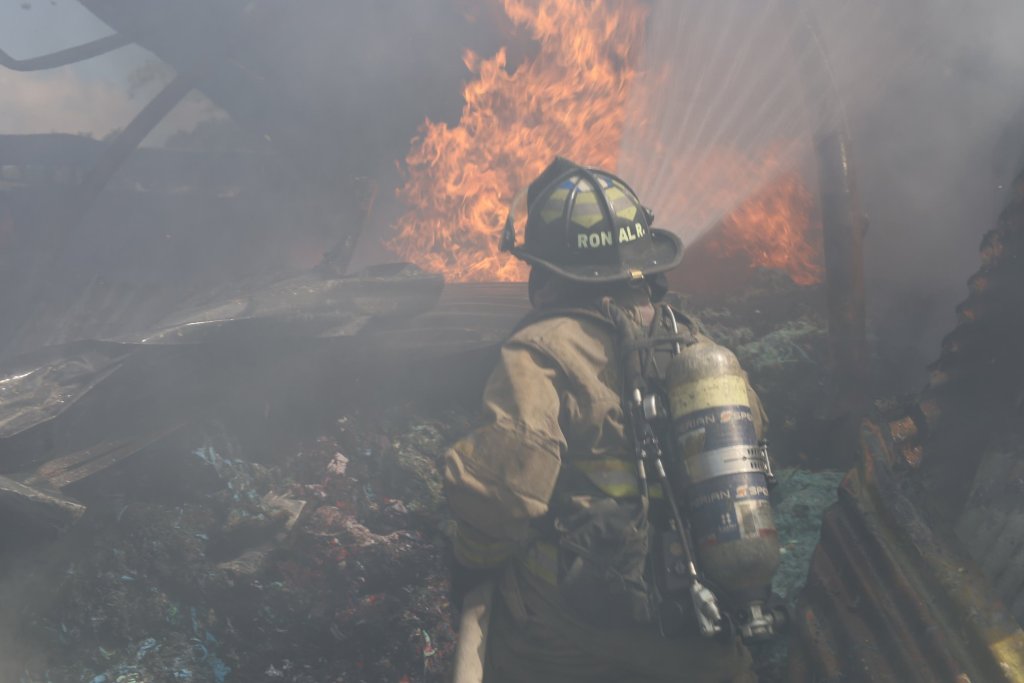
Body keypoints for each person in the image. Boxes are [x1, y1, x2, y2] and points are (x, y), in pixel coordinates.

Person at [443, 157, 765, 683]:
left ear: (546, 271)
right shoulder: (697, 348)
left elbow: (500, 493)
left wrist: (470, 564)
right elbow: (750, 436)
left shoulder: (538, 351)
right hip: (702, 620)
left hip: (573, 627)